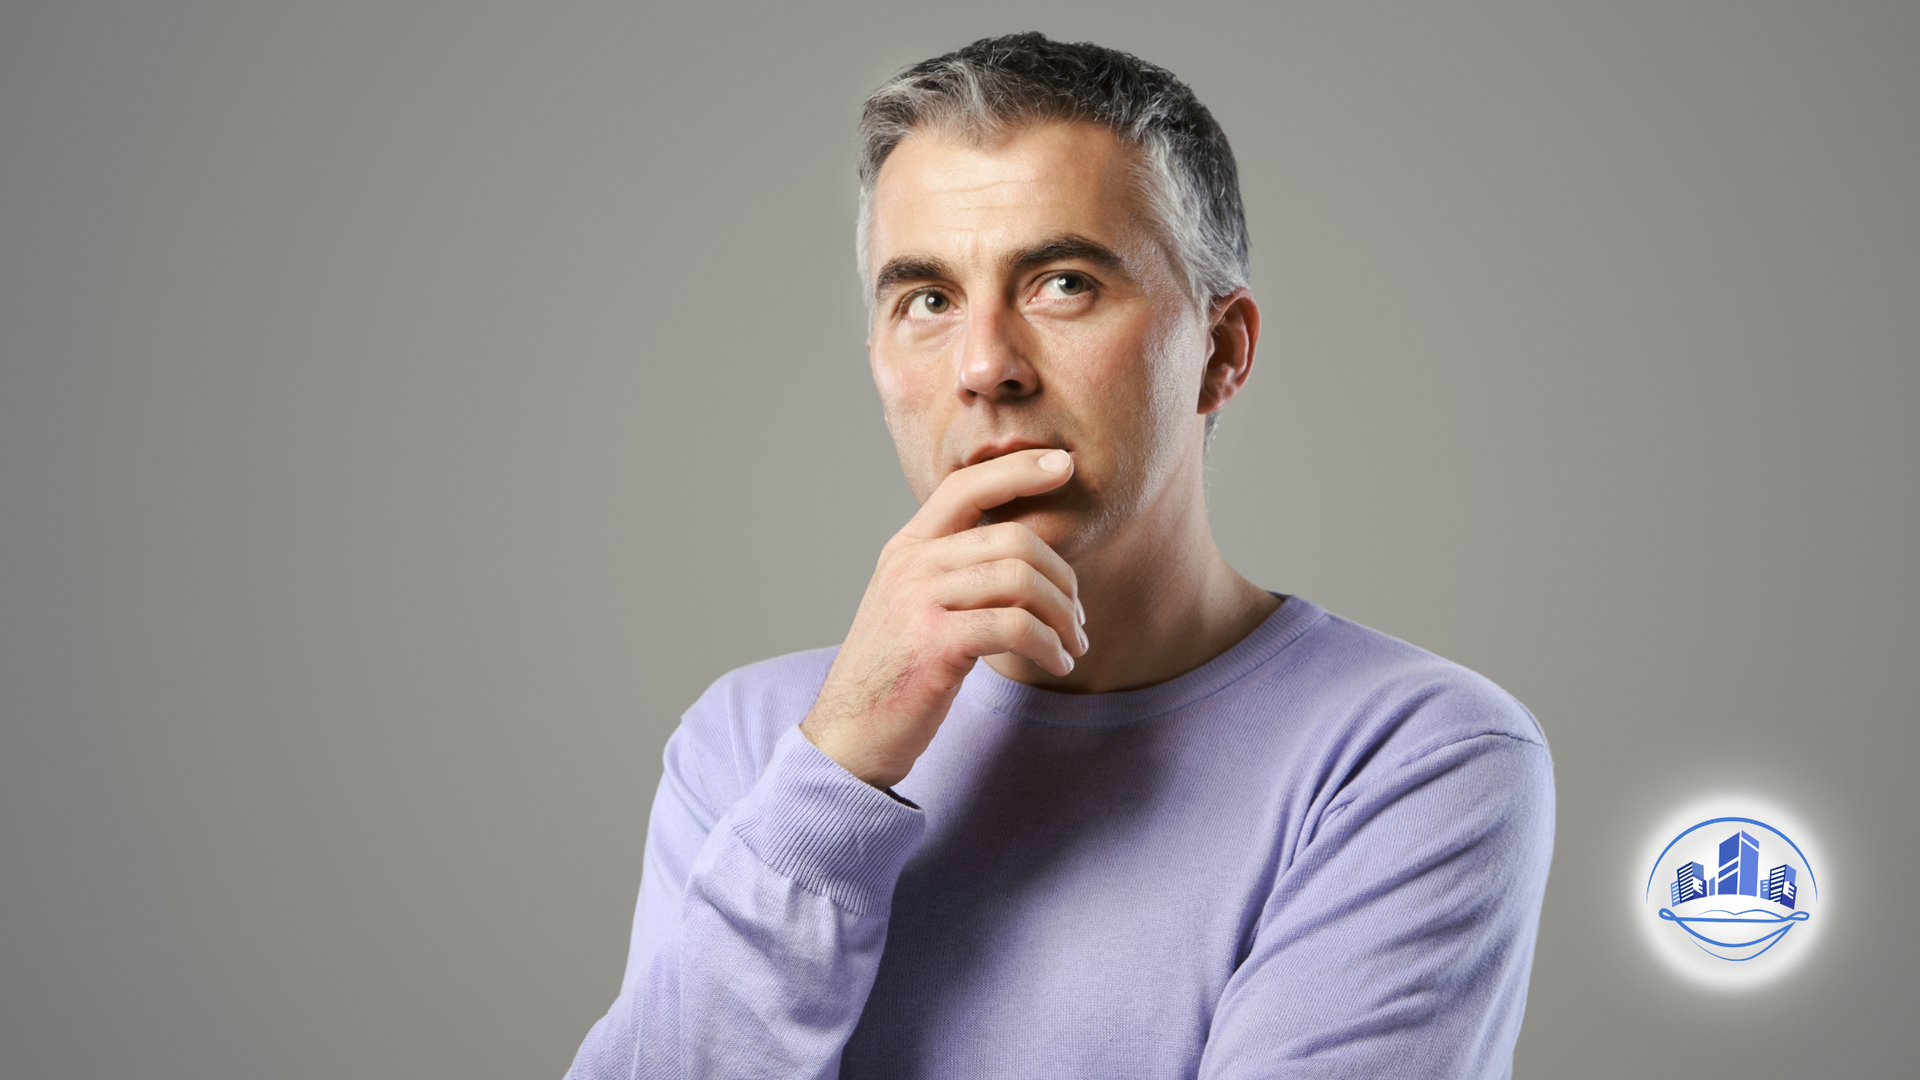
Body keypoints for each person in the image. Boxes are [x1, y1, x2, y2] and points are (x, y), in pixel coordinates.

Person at [568, 32, 1553, 1079]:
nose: (985, 365)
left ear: (1222, 352)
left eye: (1063, 283)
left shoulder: (1412, 756)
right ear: (879, 362)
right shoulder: (755, 743)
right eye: (928, 301)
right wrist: (840, 766)